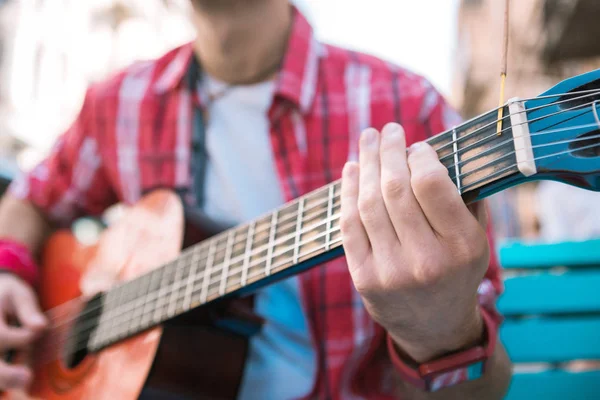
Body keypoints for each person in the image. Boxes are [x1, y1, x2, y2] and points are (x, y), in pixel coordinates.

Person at [0, 0, 512, 398]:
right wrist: (9, 269)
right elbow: (29, 202)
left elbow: (484, 390)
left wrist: (437, 330)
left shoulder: (407, 108)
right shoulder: (117, 104)